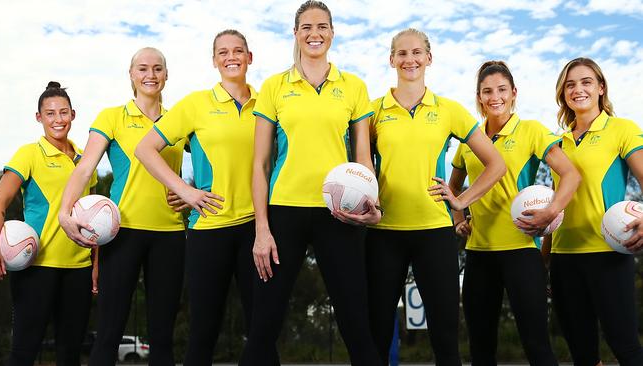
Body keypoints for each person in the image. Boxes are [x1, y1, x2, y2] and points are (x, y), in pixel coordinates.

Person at [239, 1, 383, 365]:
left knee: (355, 323)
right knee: (263, 325)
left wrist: (372, 204)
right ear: (296, 33)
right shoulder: (274, 86)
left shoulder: (353, 87)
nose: (314, 33)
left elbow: (363, 158)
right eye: (306, 27)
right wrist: (261, 228)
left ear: (332, 33)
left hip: (340, 214)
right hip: (284, 212)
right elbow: (259, 163)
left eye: (321, 27)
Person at [135, 30, 279, 365]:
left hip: (257, 231)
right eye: (223, 52)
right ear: (214, 60)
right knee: (203, 332)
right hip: (208, 231)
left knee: (263, 332)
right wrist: (185, 189)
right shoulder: (195, 104)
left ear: (250, 57)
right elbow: (145, 149)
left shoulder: (269, 104)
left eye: (238, 51)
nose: (231, 57)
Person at [364, 29, 506, 365]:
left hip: (435, 234)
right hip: (383, 233)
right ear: (391, 60)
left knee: (445, 336)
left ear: (429, 58)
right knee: (378, 334)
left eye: (416, 53)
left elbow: (495, 164)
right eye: (401, 53)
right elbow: (354, 166)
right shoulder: (372, 112)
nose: (409, 60)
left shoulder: (449, 110)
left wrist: (460, 200)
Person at [58, 47, 186, 366]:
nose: (150, 75)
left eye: (158, 68)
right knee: (109, 332)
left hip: (169, 234)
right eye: (142, 68)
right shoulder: (112, 117)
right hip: (121, 233)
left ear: (167, 75)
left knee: (162, 337)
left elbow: (204, 168)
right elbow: (85, 168)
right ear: (131, 75)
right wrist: (64, 211)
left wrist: (191, 193)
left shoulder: (180, 120)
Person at [449, 60, 580, 365]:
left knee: (536, 345)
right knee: (481, 350)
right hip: (479, 253)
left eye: (502, 89)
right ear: (479, 97)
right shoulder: (469, 141)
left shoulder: (531, 131)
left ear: (513, 93)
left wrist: (551, 212)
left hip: (522, 252)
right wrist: (458, 218)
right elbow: (453, 186)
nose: (495, 96)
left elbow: (570, 174)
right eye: (487, 91)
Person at [545, 57, 643, 366]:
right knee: (582, 355)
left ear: (601, 88)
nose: (578, 89)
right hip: (563, 257)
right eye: (570, 84)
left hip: (608, 253)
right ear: (564, 94)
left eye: (586, 82)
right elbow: (554, 204)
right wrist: (544, 258)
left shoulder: (621, 129)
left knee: (625, 348)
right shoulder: (557, 143)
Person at [0, 82, 96, 366]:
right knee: (24, 353)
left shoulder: (85, 161)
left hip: (78, 269)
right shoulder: (29, 154)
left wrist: (96, 264)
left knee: (70, 356)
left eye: (63, 113)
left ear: (73, 115)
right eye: (50, 114)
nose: (58, 120)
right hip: (35, 267)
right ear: (39, 117)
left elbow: (94, 219)